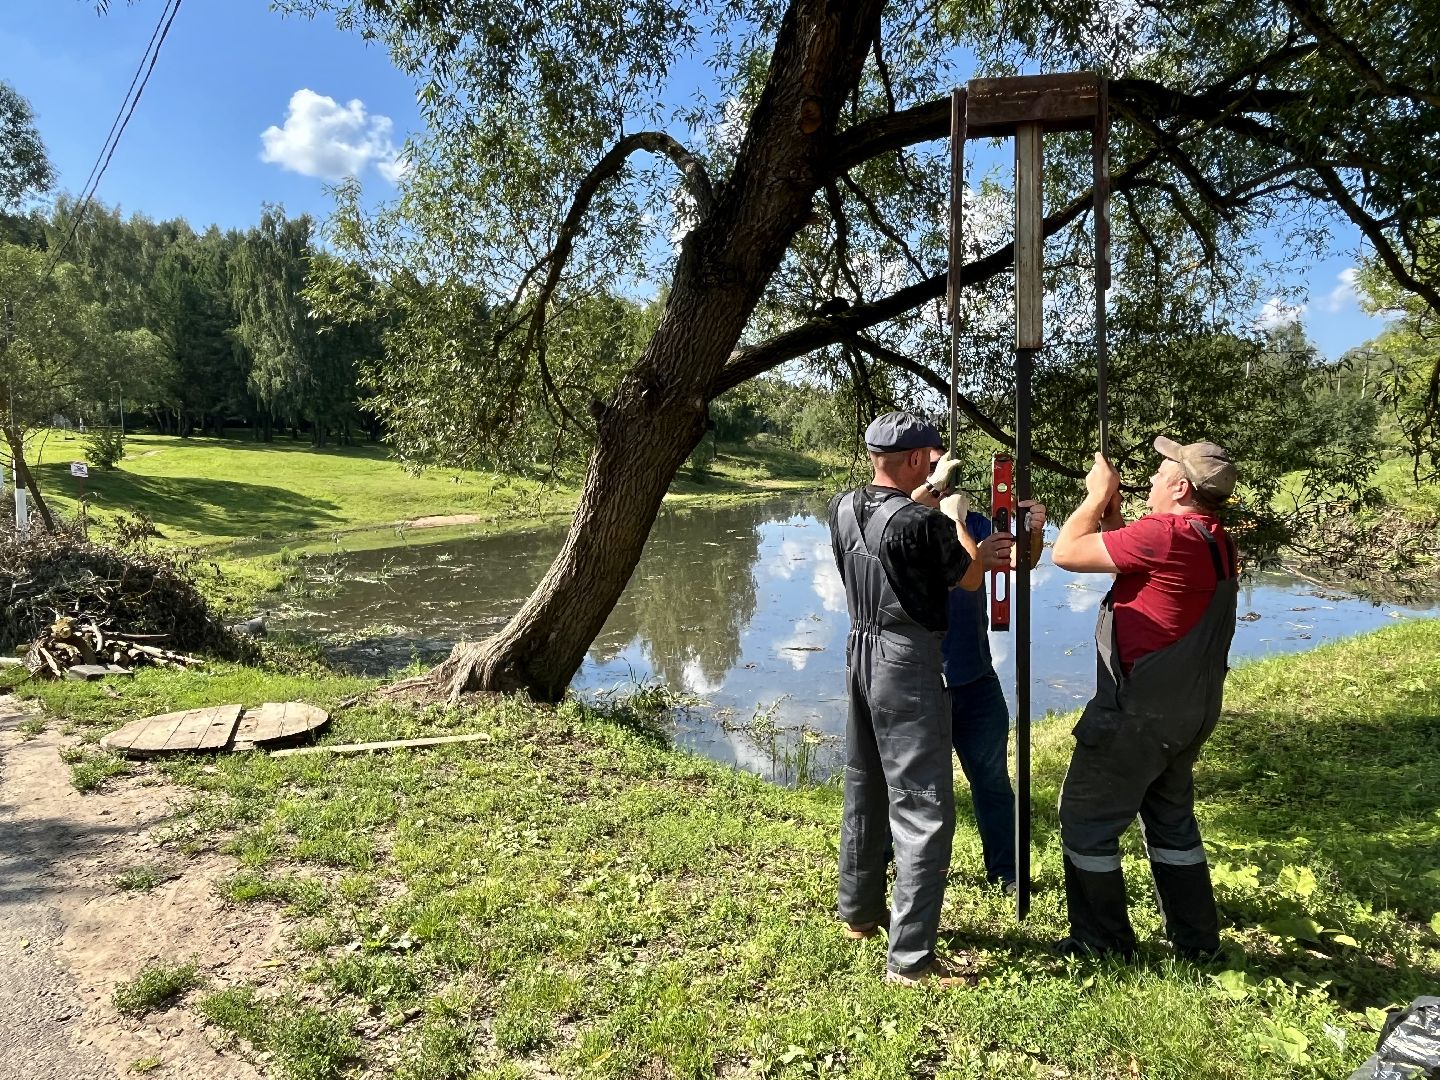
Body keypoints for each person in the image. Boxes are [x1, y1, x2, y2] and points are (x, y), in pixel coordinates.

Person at [828, 410, 1012, 985]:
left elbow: (893, 520)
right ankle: (911, 960)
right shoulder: (926, 524)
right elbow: (970, 578)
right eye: (930, 455)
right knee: (924, 806)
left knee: (865, 784)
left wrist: (931, 495)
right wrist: (961, 520)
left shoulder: (842, 506)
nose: (936, 461)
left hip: (858, 652)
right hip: (906, 662)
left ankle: (858, 913)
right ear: (912, 460)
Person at [1049, 436, 1240, 961]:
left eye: (1160, 473)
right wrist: (1114, 521)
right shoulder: (1214, 537)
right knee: (1172, 820)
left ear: (1180, 488)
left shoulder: (1164, 532)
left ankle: (1102, 944)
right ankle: (1197, 943)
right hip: (1188, 712)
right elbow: (1137, 565)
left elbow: (1065, 552)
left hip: (1136, 716)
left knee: (1086, 821)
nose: (1150, 480)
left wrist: (1095, 495)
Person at [940, 475, 1046, 894]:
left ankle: (1007, 873)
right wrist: (958, 526)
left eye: (946, 477)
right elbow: (967, 572)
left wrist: (1032, 531)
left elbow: (1021, 561)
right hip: (926, 682)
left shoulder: (977, 524)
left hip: (977, 677)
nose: (941, 486)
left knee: (993, 782)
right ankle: (891, 863)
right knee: (918, 788)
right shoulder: (910, 527)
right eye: (932, 477)